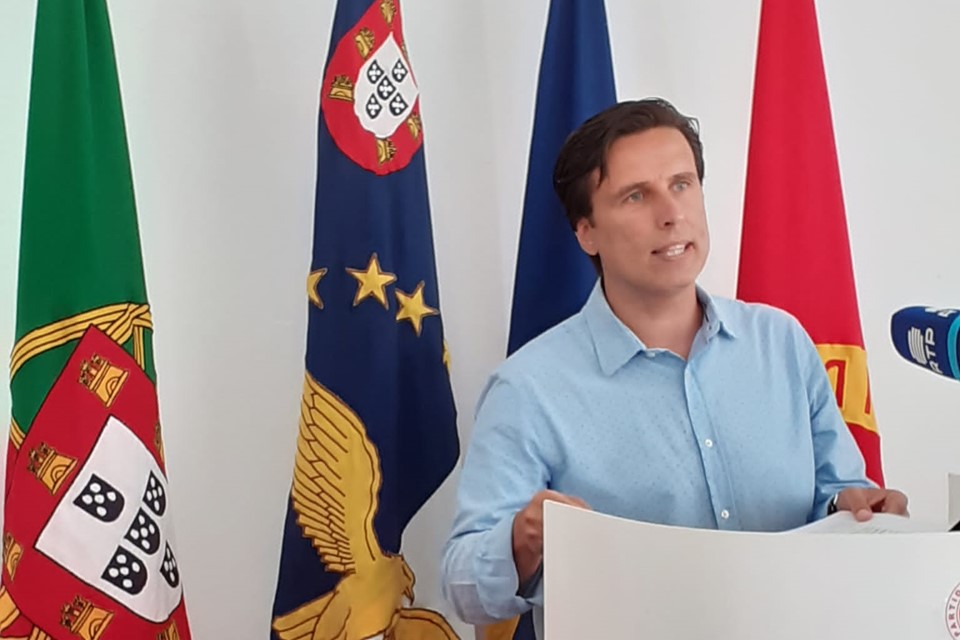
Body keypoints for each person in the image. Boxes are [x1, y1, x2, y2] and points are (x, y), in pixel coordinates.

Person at [439, 98, 908, 636]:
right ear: (586, 231)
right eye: (637, 196)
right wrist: (521, 542)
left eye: (682, 184)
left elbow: (838, 490)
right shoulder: (528, 388)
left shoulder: (780, 342)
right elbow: (461, 585)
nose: (671, 214)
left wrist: (855, 508)